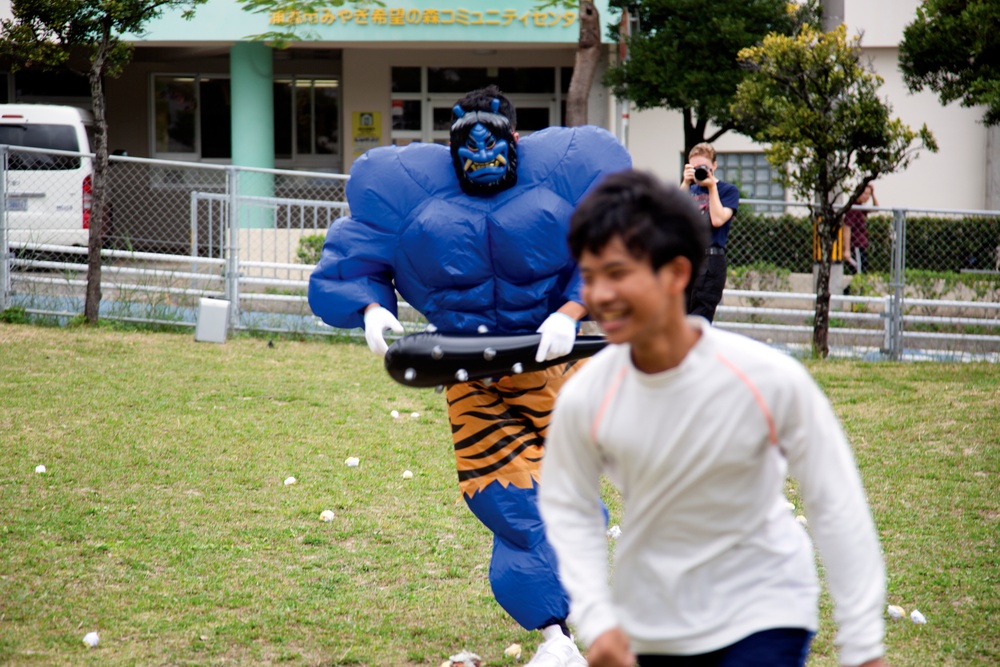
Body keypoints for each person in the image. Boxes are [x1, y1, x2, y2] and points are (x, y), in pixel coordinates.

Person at [309, 85, 632, 667]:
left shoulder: (565, 177)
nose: (479, 150)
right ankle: (556, 636)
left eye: (491, 138)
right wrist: (368, 305)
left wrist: (571, 310)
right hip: (470, 373)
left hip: (558, 369)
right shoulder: (409, 195)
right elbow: (352, 255)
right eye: (466, 141)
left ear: (514, 140)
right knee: (509, 505)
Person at [538, 170, 890, 667]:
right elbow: (567, 506)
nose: (599, 296)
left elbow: (835, 502)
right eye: (590, 277)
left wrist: (863, 645)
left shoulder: (767, 379)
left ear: (677, 274)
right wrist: (598, 622)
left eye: (618, 273)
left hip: (765, 610)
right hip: (652, 621)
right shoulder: (588, 396)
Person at [679, 143, 739, 323]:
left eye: (703, 167)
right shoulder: (688, 189)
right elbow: (674, 219)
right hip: (687, 260)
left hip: (711, 261)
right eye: (694, 167)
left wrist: (712, 187)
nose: (699, 171)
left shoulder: (727, 190)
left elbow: (718, 220)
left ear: (714, 165)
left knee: (698, 323)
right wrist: (685, 183)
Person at [844, 183, 878, 275]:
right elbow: (847, 227)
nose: (866, 197)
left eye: (868, 194)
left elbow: (876, 208)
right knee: (859, 273)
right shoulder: (853, 208)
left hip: (862, 245)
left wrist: (873, 194)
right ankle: (852, 290)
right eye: (864, 193)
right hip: (856, 245)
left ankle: (854, 289)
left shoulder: (860, 207)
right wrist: (847, 250)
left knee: (863, 270)